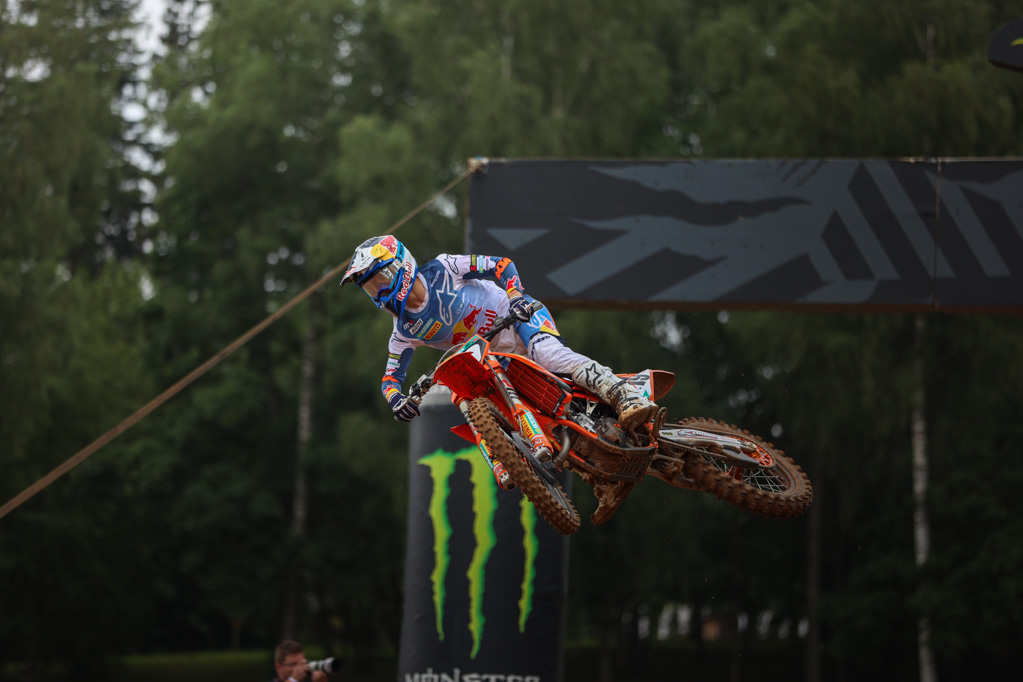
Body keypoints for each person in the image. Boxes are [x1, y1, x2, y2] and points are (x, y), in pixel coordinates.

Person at [340, 235, 657, 441]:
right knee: (489, 405)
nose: (377, 292)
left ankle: (624, 394)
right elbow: (390, 378)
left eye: (378, 280)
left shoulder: (444, 268)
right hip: (494, 358)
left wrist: (516, 295)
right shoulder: (404, 330)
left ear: (399, 266)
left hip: (518, 317)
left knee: (548, 355)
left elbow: (501, 265)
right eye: (369, 288)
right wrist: (396, 400)